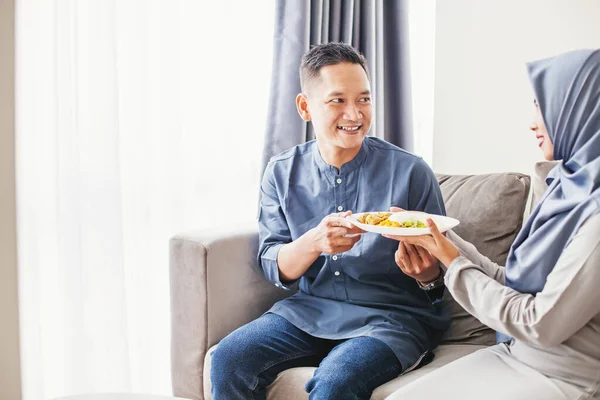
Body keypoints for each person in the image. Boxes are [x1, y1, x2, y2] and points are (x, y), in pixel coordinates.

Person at [210, 42, 450, 399]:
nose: (354, 115)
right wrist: (314, 243)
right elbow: (274, 263)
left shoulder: (411, 172)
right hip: (308, 313)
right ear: (305, 107)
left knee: (336, 382)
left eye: (364, 100)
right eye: (338, 100)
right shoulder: (281, 172)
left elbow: (443, 273)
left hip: (389, 321)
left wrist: (427, 274)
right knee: (228, 360)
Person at [383, 49, 600, 400]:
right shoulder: (565, 188)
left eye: (542, 106)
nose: (532, 122)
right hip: (518, 353)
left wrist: (451, 261)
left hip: (567, 376)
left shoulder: (595, 216)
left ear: (581, 110)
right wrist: (439, 236)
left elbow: (538, 322)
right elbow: (513, 284)